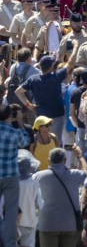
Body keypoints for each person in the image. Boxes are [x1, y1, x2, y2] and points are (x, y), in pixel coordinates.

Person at [33, 147, 87, 247]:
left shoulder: (38, 176)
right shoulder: (74, 174)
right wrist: (79, 156)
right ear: (65, 160)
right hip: (70, 225)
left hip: (48, 224)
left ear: (49, 160)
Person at [0, 105, 30, 247]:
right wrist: (19, 123)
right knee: (11, 211)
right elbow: (25, 142)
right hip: (11, 175)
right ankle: (10, 243)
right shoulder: (14, 132)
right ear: (9, 116)